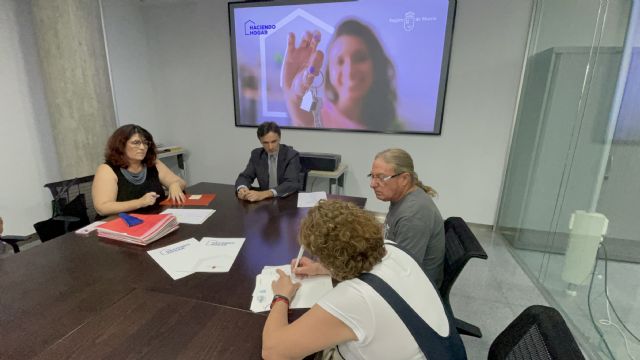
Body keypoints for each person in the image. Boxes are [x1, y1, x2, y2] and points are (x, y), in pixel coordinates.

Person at [262, 200, 466, 360]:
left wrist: (281, 296)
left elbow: (273, 352)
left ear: (328, 255)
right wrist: (319, 268)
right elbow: (358, 258)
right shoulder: (391, 248)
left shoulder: (355, 297)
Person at [282, 19, 399, 131]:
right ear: (329, 72)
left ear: (376, 64)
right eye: (340, 61)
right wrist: (293, 97)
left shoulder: (387, 124)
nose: (350, 71)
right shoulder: (317, 117)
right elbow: (304, 120)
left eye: (360, 58)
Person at [92, 124, 186, 217]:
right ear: (121, 145)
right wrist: (140, 202)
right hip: (121, 224)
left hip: (153, 218)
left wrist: (174, 185)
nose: (142, 147)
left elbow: (180, 182)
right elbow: (102, 208)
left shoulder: (153, 163)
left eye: (145, 143)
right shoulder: (106, 169)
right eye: (136, 143)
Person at [235, 121, 301, 202]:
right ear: (260, 141)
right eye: (265, 143)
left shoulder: (291, 155)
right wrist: (242, 188)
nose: (270, 147)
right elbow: (245, 176)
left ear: (279, 138)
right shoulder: (256, 154)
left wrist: (264, 194)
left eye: (273, 141)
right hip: (265, 202)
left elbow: (292, 183)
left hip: (286, 201)